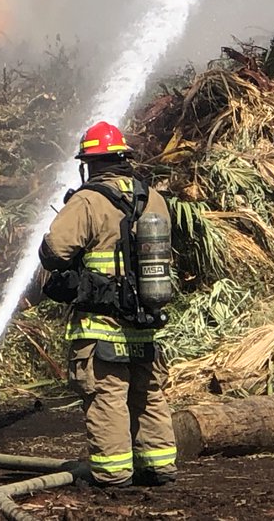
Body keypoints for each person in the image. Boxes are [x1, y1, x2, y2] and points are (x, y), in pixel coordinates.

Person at [38, 121, 178, 487]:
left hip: (102, 325)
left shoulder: (89, 200)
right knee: (147, 394)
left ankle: (114, 473)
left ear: (89, 163)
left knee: (107, 396)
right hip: (146, 322)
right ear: (123, 159)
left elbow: (54, 253)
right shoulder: (154, 199)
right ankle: (159, 465)